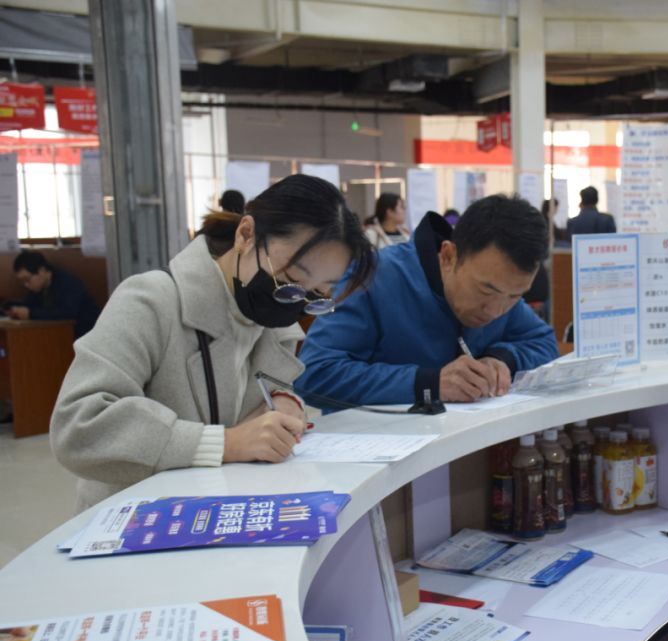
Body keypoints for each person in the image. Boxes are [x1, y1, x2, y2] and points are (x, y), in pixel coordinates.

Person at [50, 174, 375, 512]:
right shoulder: (151, 301)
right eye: (291, 280)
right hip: (134, 522)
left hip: (219, 515)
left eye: (318, 293)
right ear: (246, 234)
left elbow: (249, 395)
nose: (296, 302)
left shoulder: (272, 320)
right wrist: (225, 443)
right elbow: (79, 425)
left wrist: (283, 400)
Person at [295, 194, 558, 407]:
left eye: (515, 296)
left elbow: (544, 343)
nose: (496, 310)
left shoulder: (500, 292)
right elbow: (315, 374)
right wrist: (428, 383)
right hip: (376, 456)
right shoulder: (374, 277)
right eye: (485, 291)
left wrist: (502, 359)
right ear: (448, 257)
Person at [7, 251, 100, 338]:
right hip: (59, 334)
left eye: (27, 280)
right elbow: (29, 304)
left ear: (41, 270)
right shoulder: (38, 287)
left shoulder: (66, 283)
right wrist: (13, 309)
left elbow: (65, 314)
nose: (26, 285)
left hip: (83, 334)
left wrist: (30, 314)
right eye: (22, 281)